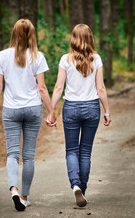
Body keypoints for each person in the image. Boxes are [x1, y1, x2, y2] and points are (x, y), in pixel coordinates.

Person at [0, 19, 56, 212]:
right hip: (33, 109)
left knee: (12, 154)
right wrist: (51, 112)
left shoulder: (1, 56)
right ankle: (24, 197)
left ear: (14, 34)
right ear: (31, 35)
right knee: (29, 156)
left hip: (11, 110)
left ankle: (14, 190)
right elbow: (42, 88)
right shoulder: (38, 56)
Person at [48, 24, 111, 207]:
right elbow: (100, 88)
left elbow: (59, 87)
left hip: (71, 108)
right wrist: (106, 111)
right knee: (85, 152)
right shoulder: (96, 59)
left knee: (71, 150)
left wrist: (51, 112)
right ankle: (82, 189)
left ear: (73, 38)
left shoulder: (65, 60)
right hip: (92, 108)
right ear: (90, 38)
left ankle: (75, 185)